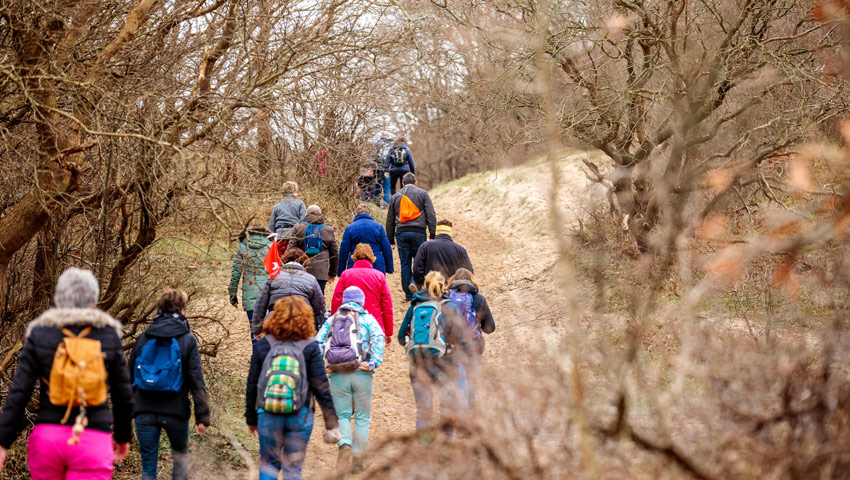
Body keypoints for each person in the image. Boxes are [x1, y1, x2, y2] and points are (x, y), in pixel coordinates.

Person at [0, 268, 133, 479]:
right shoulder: (108, 336)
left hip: (48, 439)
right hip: (93, 439)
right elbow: (123, 395)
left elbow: (19, 393)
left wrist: (3, 441)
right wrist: (123, 436)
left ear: (59, 297)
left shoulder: (40, 333)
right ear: (93, 299)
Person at [246, 296, 340, 480]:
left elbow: (252, 383)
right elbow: (321, 386)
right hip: (300, 413)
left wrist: (251, 417)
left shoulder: (263, 345)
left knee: (269, 464)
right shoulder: (310, 346)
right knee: (293, 468)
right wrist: (331, 422)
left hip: (268, 412)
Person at [129, 289, 211, 480]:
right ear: (182, 310)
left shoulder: (144, 338)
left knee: (148, 466)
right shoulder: (187, 340)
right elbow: (196, 380)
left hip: (144, 410)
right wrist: (202, 416)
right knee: (180, 461)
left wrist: (131, 407)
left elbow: (128, 375)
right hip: (176, 410)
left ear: (158, 309)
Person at [316, 286, 385, 474]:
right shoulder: (369, 320)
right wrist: (373, 363)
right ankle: (358, 457)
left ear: (344, 301)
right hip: (362, 372)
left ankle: (344, 444)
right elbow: (379, 339)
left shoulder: (332, 320)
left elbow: (317, 342)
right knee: (362, 417)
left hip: (337, 374)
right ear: (361, 301)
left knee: (343, 414)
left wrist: (326, 363)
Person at [398, 271, 472, 430]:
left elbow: (400, 336)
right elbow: (461, 337)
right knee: (447, 410)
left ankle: (424, 450)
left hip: (418, 364)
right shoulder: (450, 307)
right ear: (443, 287)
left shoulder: (415, 306)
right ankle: (444, 449)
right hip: (446, 364)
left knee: (424, 411)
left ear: (425, 285)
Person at [446, 268, 495, 408]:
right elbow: (490, 328)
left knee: (458, 377)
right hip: (474, 344)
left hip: (452, 344)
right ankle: (469, 408)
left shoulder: (446, 297)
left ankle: (459, 406)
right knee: (470, 376)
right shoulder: (479, 299)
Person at [385, 173, 436, 302]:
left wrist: (390, 239)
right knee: (419, 262)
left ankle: (408, 294)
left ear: (402, 183)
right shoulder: (423, 194)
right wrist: (432, 233)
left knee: (405, 264)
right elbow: (431, 214)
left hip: (401, 233)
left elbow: (390, 219)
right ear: (415, 182)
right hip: (419, 233)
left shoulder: (396, 196)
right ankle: (415, 283)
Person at [252, 248, 326, 333]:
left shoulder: (273, 277)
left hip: (275, 320)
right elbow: (319, 308)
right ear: (304, 263)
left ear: (285, 260)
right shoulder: (311, 279)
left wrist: (257, 329)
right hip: (302, 322)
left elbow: (260, 304)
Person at [331, 244, 394, 339]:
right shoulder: (379, 276)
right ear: (372, 258)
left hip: (350, 322)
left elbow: (337, 300)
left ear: (354, 257)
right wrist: (388, 332)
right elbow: (386, 305)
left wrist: (335, 324)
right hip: (374, 324)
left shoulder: (346, 274)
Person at [229, 224, 272, 343]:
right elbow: (275, 270)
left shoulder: (243, 246)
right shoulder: (269, 245)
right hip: (268, 292)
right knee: (270, 327)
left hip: (250, 291)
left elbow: (236, 272)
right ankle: (268, 356)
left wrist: (232, 293)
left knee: (255, 329)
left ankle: (256, 357)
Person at [286, 205, 339, 296]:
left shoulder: (298, 227)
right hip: (320, 273)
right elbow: (334, 253)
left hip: (301, 271)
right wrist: (332, 273)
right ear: (320, 215)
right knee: (318, 300)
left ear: (306, 214)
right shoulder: (328, 230)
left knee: (302, 299)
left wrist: (288, 269)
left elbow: (290, 250)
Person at [412, 219, 473, 292]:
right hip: (451, 289)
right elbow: (468, 272)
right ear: (450, 233)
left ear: (437, 232)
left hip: (431, 288)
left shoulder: (425, 246)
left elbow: (417, 269)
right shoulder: (460, 250)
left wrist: (420, 284)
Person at [338, 204, 394, 276]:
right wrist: (389, 268)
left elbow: (344, 250)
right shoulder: (378, 227)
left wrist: (340, 271)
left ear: (356, 214)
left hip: (355, 264)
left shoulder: (350, 228)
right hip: (376, 263)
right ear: (369, 213)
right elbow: (386, 248)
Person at [269, 181, 307, 254]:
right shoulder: (300, 204)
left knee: (281, 260)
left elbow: (271, 224)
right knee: (293, 259)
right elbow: (303, 222)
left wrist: (272, 238)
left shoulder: (277, 205)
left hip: (280, 235)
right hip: (294, 236)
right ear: (294, 191)